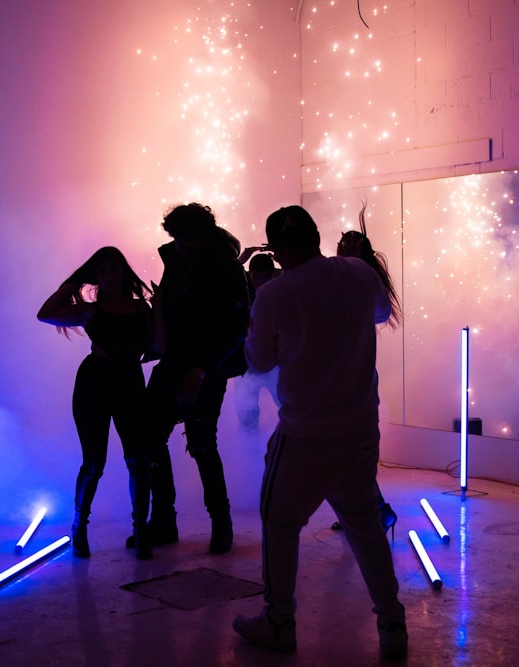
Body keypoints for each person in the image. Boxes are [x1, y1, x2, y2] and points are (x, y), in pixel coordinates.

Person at [233, 205, 407, 661]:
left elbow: (258, 363)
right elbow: (379, 312)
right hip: (358, 430)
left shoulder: (272, 295)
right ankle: (391, 624)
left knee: (279, 523)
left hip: (305, 435)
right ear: (316, 234)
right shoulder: (356, 273)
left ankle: (278, 621)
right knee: (365, 528)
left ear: (276, 248)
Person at [132, 203, 250, 554]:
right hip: (176, 363)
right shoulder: (179, 261)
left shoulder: (226, 270)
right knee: (154, 440)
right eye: (177, 237)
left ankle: (219, 523)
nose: (180, 243)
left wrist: (201, 370)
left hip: (204, 369)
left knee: (200, 444)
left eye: (185, 237)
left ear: (200, 235)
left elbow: (236, 329)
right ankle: (165, 521)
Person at [37, 246, 155, 560]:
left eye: (114, 270)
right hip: (95, 383)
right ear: (96, 276)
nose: (109, 276)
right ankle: (79, 527)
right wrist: (74, 281)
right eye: (102, 271)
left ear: (123, 272)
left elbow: (158, 346)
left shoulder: (142, 308)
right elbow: (44, 314)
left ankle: (141, 531)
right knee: (94, 463)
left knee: (138, 461)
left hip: (128, 382)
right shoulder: (91, 310)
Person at [334, 204, 403, 536]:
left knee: (349, 452)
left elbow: (379, 312)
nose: (343, 245)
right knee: (345, 452)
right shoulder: (344, 276)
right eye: (342, 242)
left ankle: (373, 511)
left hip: (353, 377)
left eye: (349, 242)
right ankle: (365, 511)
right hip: (347, 375)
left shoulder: (361, 280)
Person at [233, 251, 281, 430]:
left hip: (276, 364)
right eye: (256, 277)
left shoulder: (284, 287)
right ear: (249, 275)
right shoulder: (242, 287)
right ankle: (251, 448)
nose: (260, 282)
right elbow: (223, 274)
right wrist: (243, 257)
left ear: (273, 274)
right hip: (246, 366)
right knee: (247, 418)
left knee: (290, 407)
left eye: (265, 277)